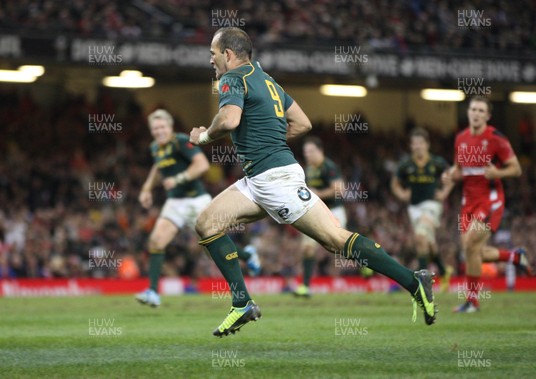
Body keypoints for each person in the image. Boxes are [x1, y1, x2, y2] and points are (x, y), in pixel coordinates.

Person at [189, 27, 436, 337]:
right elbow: (302, 123)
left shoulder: (232, 78)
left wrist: (204, 136)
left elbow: (229, 120)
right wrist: (269, 140)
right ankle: (242, 303)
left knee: (335, 239)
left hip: (274, 179)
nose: (211, 61)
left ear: (227, 54)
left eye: (213, 54)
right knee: (207, 223)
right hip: (260, 178)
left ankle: (414, 282)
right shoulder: (268, 81)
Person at [135, 109, 260, 307]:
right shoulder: (156, 148)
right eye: (155, 128)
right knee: (157, 241)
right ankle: (152, 292)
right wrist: (147, 188)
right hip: (175, 202)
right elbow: (158, 167)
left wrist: (179, 178)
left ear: (170, 126)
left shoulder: (181, 141)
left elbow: (201, 165)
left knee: (212, 249)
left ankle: (246, 255)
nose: (159, 131)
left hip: (196, 200)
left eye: (162, 127)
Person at [442, 96, 530, 313]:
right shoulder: (461, 138)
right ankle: (514, 256)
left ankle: (472, 302)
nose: (477, 113)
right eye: (473, 109)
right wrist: (450, 175)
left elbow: (516, 169)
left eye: (481, 110)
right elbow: (459, 170)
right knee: (472, 251)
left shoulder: (496, 138)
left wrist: (498, 172)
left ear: (488, 116)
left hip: (490, 200)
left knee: (472, 244)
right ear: (468, 112)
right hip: (468, 202)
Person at [391, 128, 454, 292]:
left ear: (427, 145)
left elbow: (451, 177)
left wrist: (445, 192)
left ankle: (423, 283)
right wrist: (401, 194)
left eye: (421, 143)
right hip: (414, 207)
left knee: (420, 236)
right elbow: (395, 184)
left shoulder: (437, 163)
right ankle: (444, 269)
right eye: (415, 143)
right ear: (411, 146)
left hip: (432, 204)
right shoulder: (406, 164)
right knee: (427, 243)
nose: (418, 146)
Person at [293, 137, 347, 298]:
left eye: (311, 151)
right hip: (316, 213)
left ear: (320, 151)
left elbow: (340, 190)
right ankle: (305, 287)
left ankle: (366, 263)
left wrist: (317, 193)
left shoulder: (329, 167)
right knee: (307, 248)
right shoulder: (308, 169)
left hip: (334, 211)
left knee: (341, 246)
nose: (308, 155)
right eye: (305, 152)